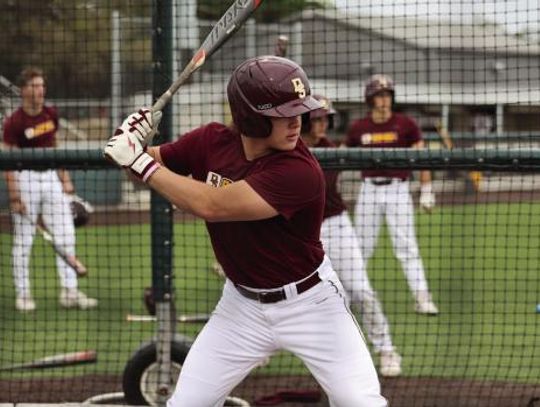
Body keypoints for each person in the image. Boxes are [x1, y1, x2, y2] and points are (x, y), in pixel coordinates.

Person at [104, 56, 387, 406]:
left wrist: (140, 160)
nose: (298, 123)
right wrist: (129, 139)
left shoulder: (299, 170)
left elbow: (213, 205)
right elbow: (139, 165)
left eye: (300, 112)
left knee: (360, 402)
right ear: (251, 116)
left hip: (311, 304)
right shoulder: (210, 141)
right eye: (284, 114)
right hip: (241, 309)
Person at [301, 94, 402, 377]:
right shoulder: (285, 150)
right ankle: (263, 350)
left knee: (360, 290)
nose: (323, 124)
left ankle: (386, 349)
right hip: (297, 232)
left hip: (335, 225)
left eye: (325, 118)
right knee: (290, 296)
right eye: (317, 119)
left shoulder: (329, 150)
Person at [3, 67, 97, 312]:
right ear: (23, 90)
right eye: (34, 86)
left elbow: (56, 147)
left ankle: (70, 291)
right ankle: (23, 295)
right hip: (26, 180)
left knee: (66, 234)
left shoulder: (50, 114)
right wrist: (14, 195)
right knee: (24, 240)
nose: (40, 90)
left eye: (42, 85)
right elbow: (8, 162)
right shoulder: (14, 122)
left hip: (51, 179)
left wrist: (64, 179)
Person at [346, 74, 439, 315]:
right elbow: (342, 157)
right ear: (370, 99)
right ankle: (350, 296)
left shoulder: (406, 124)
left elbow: (421, 158)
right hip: (368, 190)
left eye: (387, 94)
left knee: (407, 247)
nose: (384, 99)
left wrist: (426, 189)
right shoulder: (358, 128)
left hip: (399, 189)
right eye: (379, 95)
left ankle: (422, 297)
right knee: (361, 247)